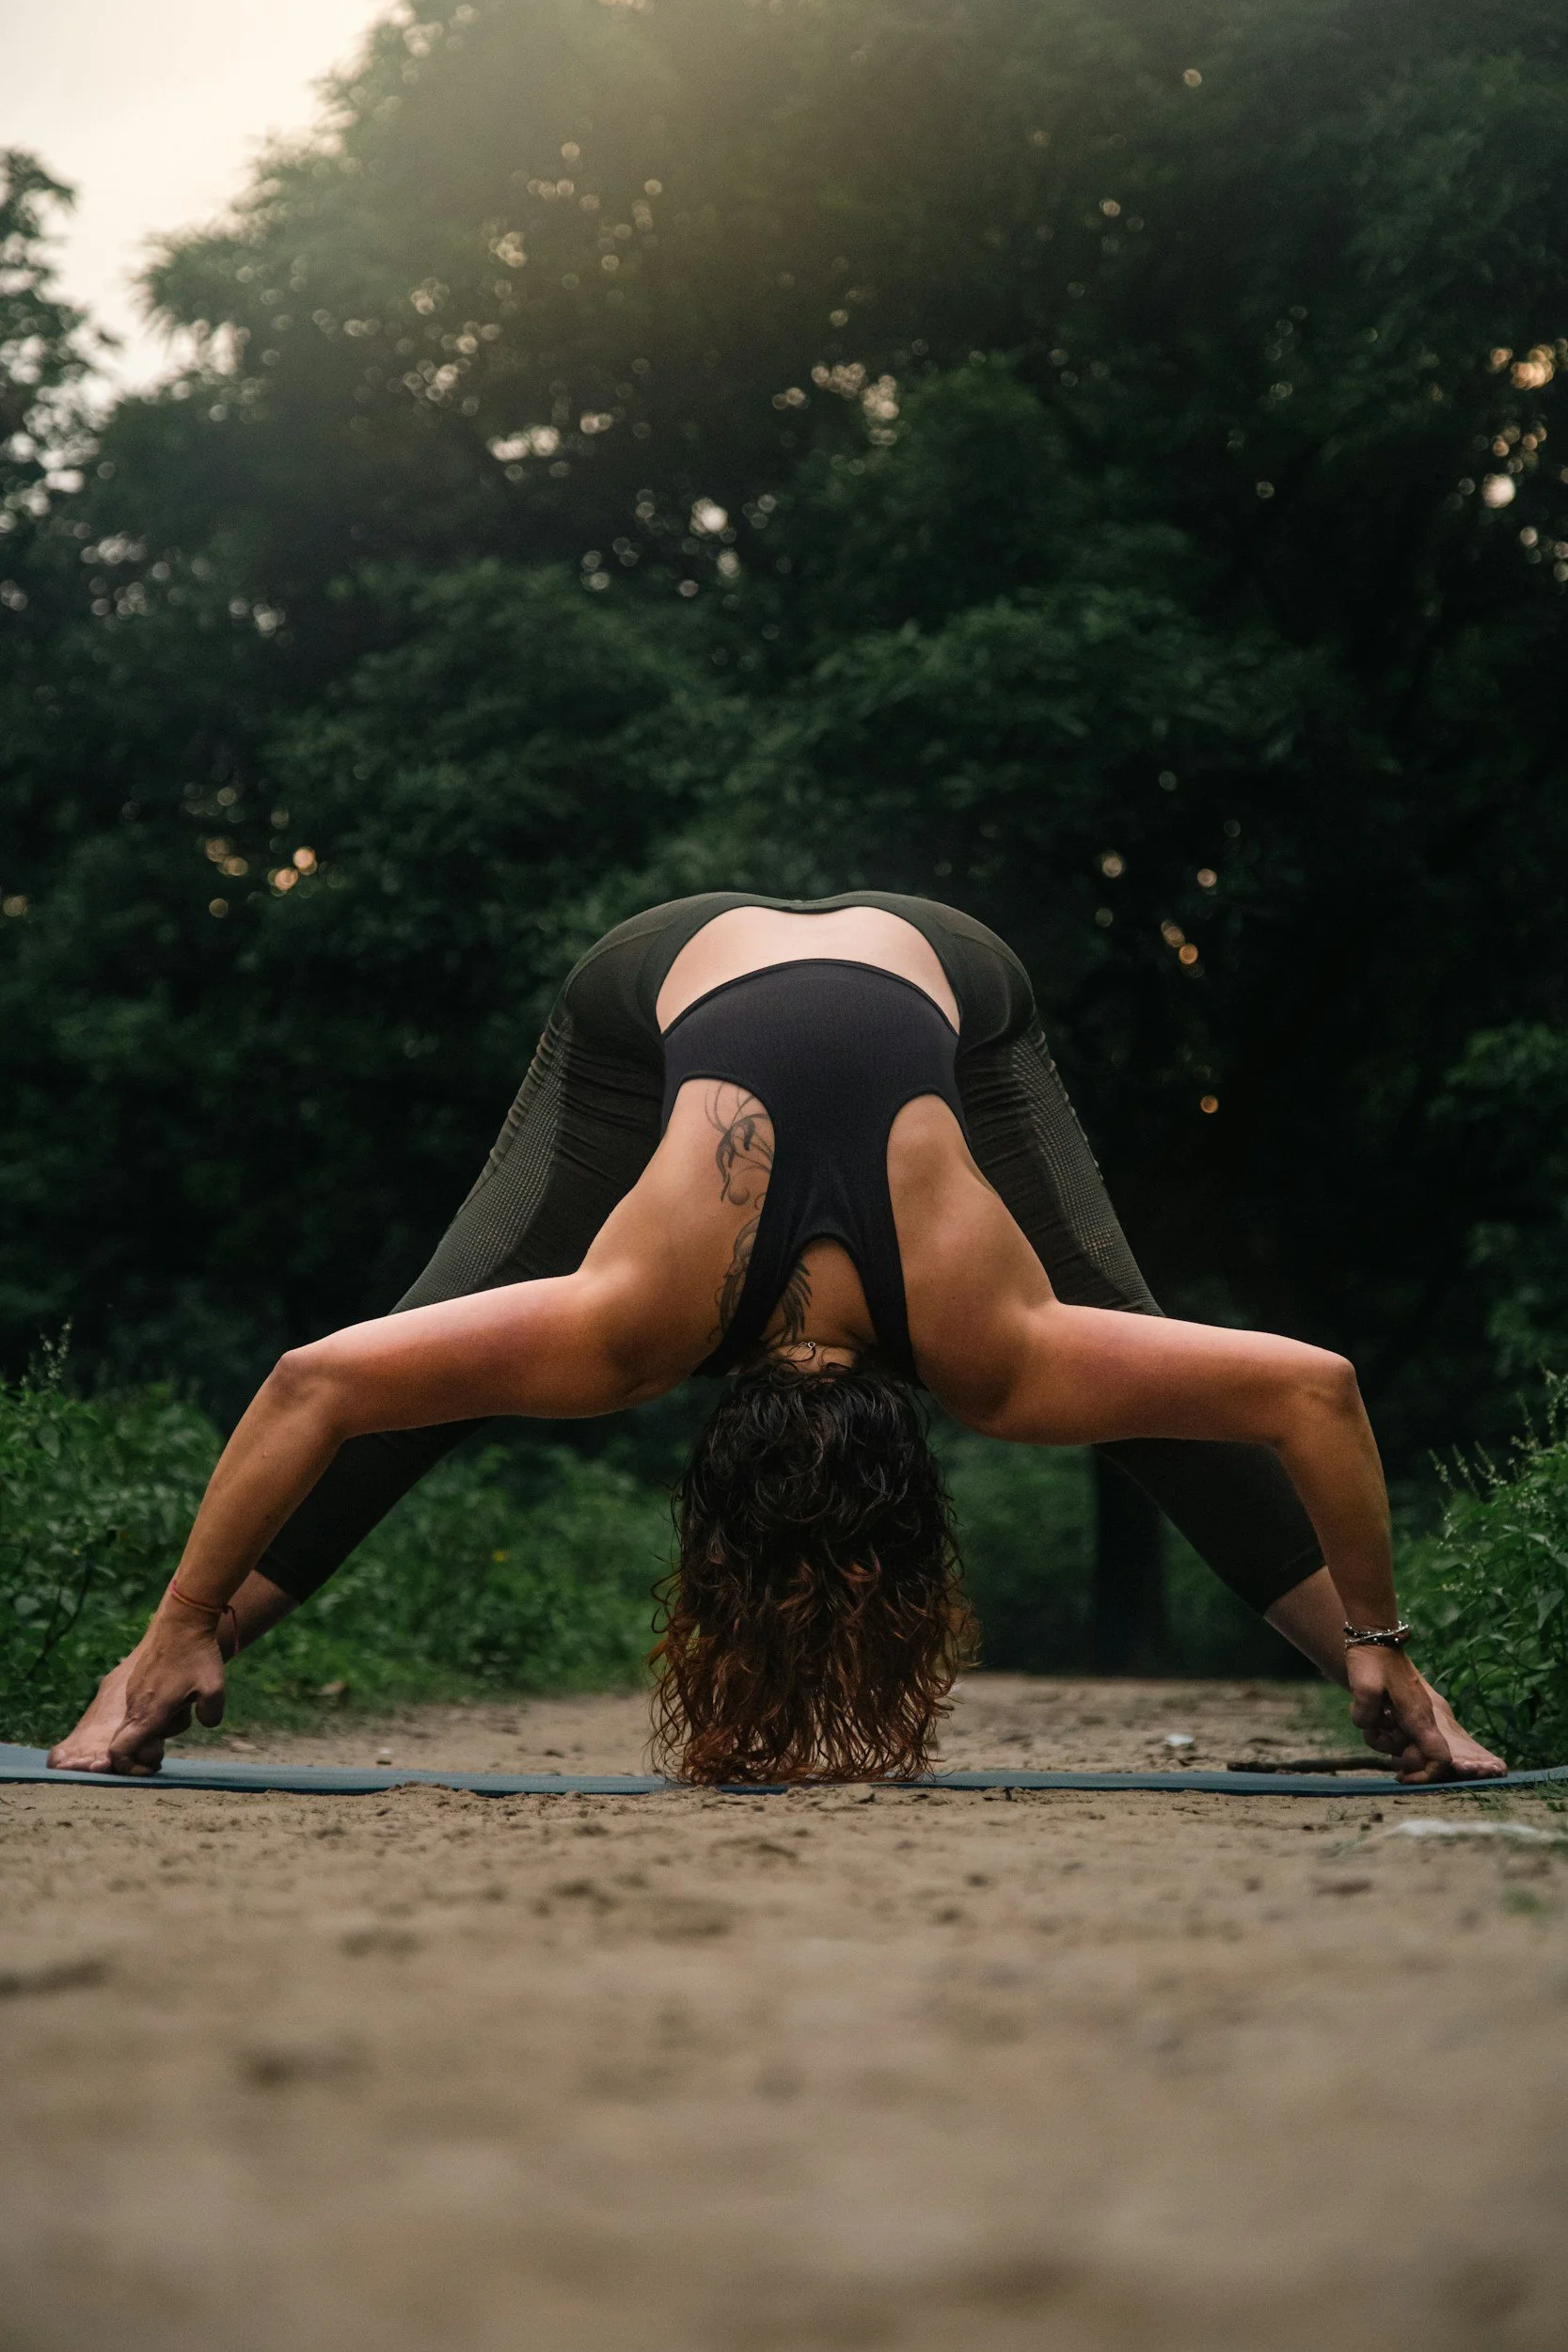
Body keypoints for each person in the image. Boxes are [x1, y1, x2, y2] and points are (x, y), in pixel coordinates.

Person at [50, 892, 1504, 1785]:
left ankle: (146, 1677)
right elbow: (1309, 1389)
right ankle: (1405, 1706)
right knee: (1127, 1361)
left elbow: (319, 1383)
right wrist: (1375, 1648)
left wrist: (183, 1625)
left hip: (861, 970)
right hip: (753, 980)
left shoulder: (702, 1331)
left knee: (422, 1369)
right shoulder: (939, 1346)